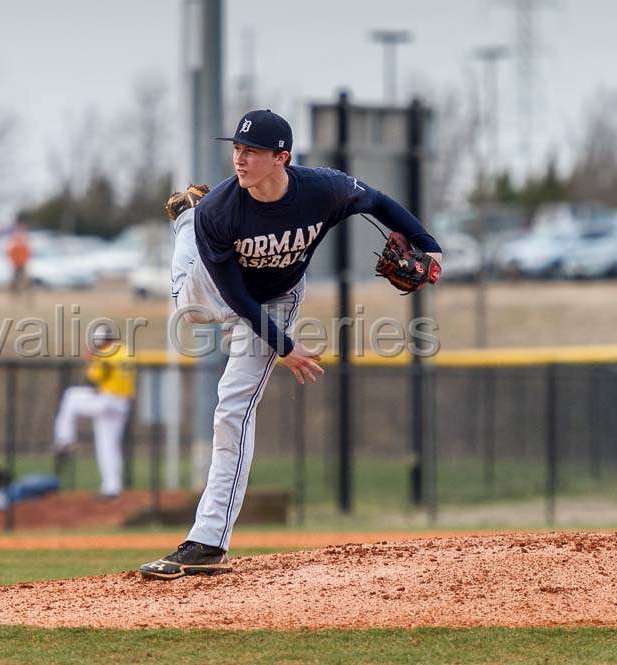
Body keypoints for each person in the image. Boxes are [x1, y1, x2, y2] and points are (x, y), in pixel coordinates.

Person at [139, 109, 443, 580]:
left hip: (278, 296)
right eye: (237, 150)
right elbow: (236, 296)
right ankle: (185, 219)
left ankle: (207, 541)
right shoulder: (223, 209)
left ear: (282, 157)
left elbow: (378, 201)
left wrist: (429, 243)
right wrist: (285, 347)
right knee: (187, 308)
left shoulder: (322, 189)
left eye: (252, 151)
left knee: (232, 407)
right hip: (218, 285)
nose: (239, 159)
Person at [52, 323, 136, 499]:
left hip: (107, 401)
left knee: (71, 397)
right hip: (121, 405)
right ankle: (112, 488)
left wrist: (92, 360)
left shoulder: (105, 353)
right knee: (108, 447)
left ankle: (65, 440)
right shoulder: (126, 350)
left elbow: (93, 378)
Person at [7, 223, 31, 295]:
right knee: (17, 278)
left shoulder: (22, 246)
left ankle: (21, 291)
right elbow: (11, 254)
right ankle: (16, 292)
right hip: (17, 264)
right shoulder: (16, 246)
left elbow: (27, 254)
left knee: (22, 279)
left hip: (21, 263)